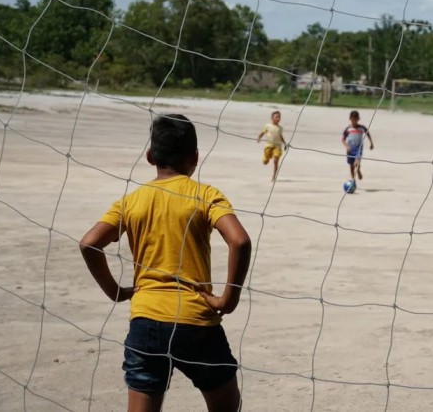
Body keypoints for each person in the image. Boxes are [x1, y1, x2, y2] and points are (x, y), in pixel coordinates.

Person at [79, 113, 251, 412]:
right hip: (196, 321)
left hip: (145, 322)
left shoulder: (132, 200)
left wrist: (115, 291)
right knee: (226, 404)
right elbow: (240, 240)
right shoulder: (205, 194)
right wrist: (228, 298)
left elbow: (89, 243)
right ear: (195, 157)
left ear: (149, 157)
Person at [341, 110, 374, 181]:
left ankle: (358, 170)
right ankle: (353, 180)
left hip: (358, 148)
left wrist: (371, 143)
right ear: (350, 119)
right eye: (353, 119)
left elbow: (368, 134)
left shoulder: (362, 128)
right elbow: (343, 139)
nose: (354, 121)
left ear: (358, 119)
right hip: (350, 148)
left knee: (357, 162)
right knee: (351, 166)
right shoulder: (348, 129)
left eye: (356, 119)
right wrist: (347, 146)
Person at [256, 110, 287, 181]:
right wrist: (259, 138)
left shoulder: (280, 128)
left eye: (279, 117)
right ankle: (266, 157)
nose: (278, 119)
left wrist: (285, 143)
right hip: (269, 146)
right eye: (277, 117)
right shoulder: (267, 126)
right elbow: (262, 133)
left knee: (276, 160)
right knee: (265, 162)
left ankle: (274, 176)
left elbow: (281, 136)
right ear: (272, 118)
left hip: (277, 146)